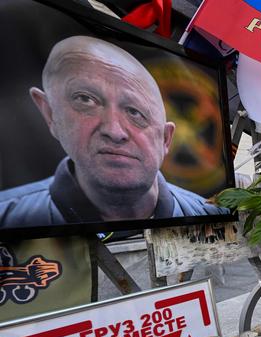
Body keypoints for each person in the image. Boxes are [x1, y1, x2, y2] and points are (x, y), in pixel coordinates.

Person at [0, 36, 228, 227]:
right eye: (85, 100)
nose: (114, 131)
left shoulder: (213, 217)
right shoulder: (8, 218)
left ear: (166, 139)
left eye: (135, 113)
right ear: (50, 113)